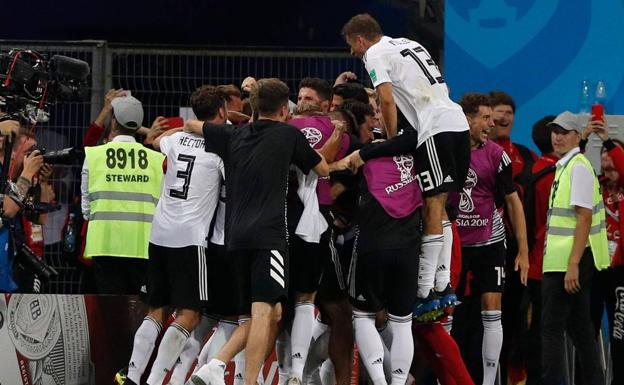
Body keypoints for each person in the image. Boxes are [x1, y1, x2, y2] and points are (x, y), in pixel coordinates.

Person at [184, 78, 330, 385]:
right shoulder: (288, 135)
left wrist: (237, 121)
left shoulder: (231, 135)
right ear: (283, 109)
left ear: (254, 108)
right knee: (264, 313)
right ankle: (245, 380)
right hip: (269, 237)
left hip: (234, 239)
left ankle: (215, 365)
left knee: (271, 313)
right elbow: (323, 169)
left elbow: (192, 125)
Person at [340, 13, 470, 319]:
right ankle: (441, 281)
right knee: (441, 206)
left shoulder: (374, 53)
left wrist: (388, 138)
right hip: (455, 122)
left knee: (433, 205)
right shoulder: (407, 43)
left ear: (360, 39)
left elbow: (386, 99)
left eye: (351, 46)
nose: (352, 53)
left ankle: (424, 289)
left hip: (434, 128)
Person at [121, 86, 227, 385]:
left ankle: (132, 377)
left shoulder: (175, 140)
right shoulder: (220, 150)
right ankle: (155, 381)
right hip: (190, 239)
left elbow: (156, 140)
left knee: (156, 308)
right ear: (222, 112)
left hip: (160, 234)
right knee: (190, 314)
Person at [450, 93, 528, 385]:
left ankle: (488, 381)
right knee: (446, 313)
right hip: (455, 242)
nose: (491, 122)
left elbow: (513, 202)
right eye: (484, 117)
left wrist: (523, 250)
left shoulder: (497, 154)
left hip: (490, 240)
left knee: (492, 309)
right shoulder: (447, 150)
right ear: (467, 120)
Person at [541, 111, 609, 385]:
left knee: (551, 329)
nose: (557, 136)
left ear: (578, 137)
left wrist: (572, 265)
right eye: (555, 131)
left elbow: (584, 217)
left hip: (568, 262)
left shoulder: (577, 167)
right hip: (567, 260)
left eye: (565, 131)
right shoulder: (567, 167)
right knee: (581, 329)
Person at [81, 95, 165, 295]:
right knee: (140, 312)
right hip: (143, 246)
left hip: (105, 245)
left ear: (115, 121)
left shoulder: (94, 156)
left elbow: (86, 209)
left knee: (111, 311)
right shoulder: (155, 159)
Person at [487, 90, 537, 382]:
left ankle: (512, 373)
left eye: (509, 112)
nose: (504, 117)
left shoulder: (526, 155)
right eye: (498, 112)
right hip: (487, 245)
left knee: (515, 316)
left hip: (518, 250)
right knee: (487, 315)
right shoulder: (478, 152)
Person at [587, 117, 624, 385]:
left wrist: (608, 141)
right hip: (595, 266)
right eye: (602, 154)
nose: (607, 158)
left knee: (619, 331)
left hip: (620, 270)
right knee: (587, 328)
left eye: (611, 154)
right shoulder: (594, 184)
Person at [524, 115, 557, 385]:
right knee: (545, 330)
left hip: (537, 261)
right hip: (550, 263)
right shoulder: (555, 175)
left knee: (539, 327)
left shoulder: (534, 169)